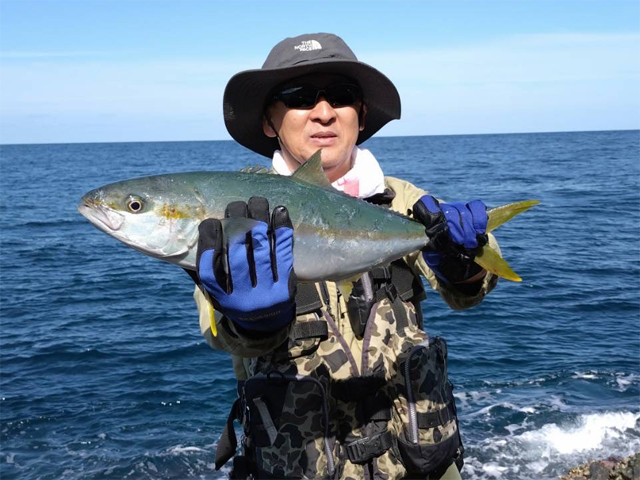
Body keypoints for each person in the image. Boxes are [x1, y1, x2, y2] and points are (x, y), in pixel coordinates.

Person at [192, 33, 501, 480]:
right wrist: (251, 323)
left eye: (340, 96)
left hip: (419, 465)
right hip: (301, 465)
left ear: (362, 114)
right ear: (269, 121)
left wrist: (465, 264)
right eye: (299, 97)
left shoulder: (401, 200)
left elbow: (467, 294)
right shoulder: (239, 212)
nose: (324, 112)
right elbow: (218, 332)